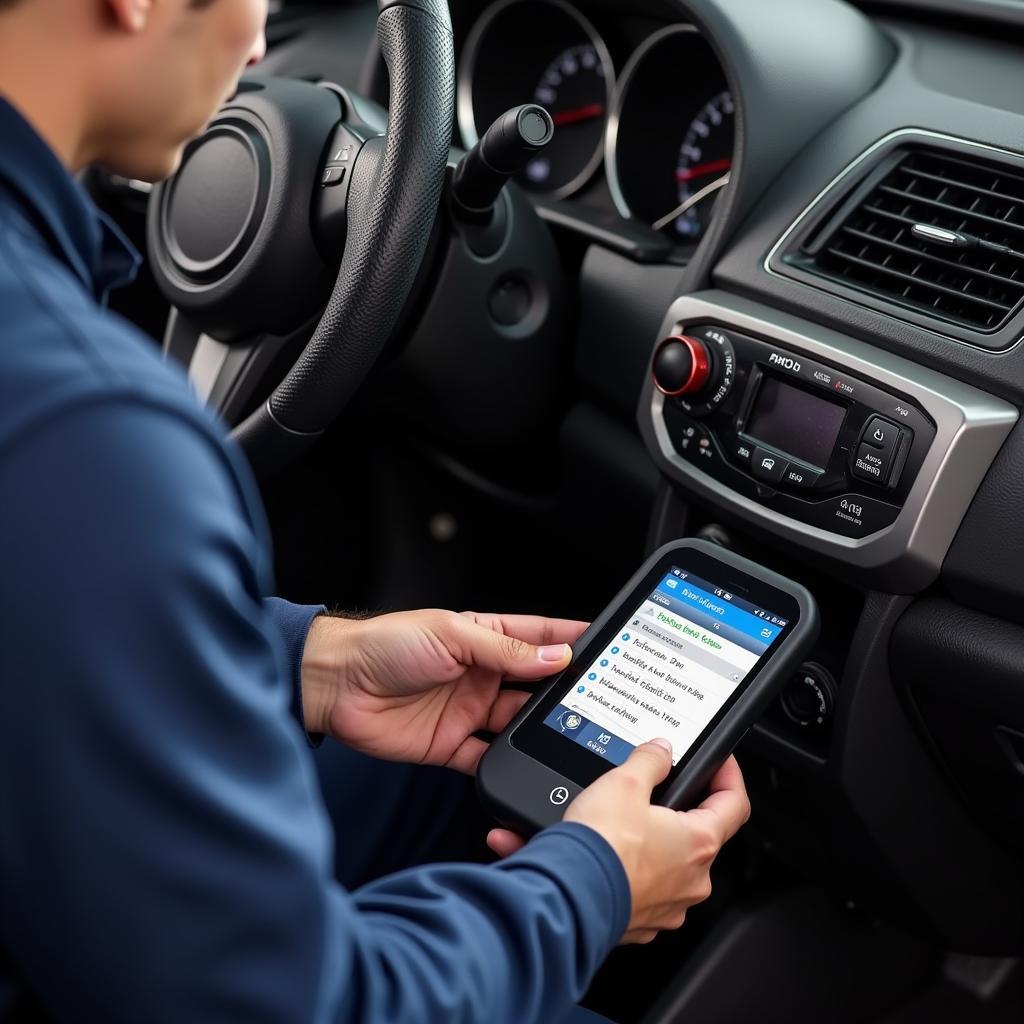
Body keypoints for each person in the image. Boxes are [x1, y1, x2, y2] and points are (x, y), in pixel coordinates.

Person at [0, 1, 751, 1021]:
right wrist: (590, 887)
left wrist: (308, 661)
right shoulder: (96, 438)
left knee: (433, 784)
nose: (261, 43)